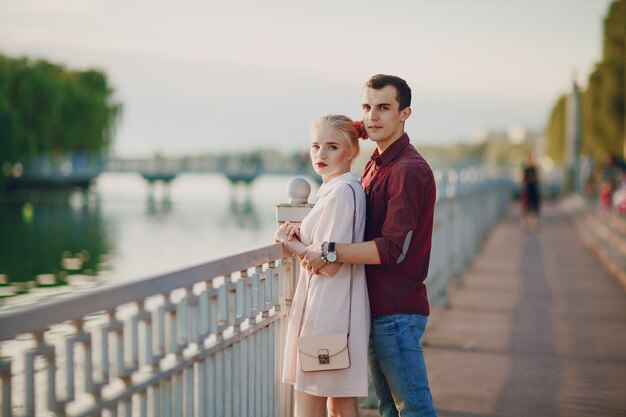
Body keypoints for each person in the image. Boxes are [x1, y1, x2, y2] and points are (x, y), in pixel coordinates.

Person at [296, 74, 438, 416]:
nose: (373, 116)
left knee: (413, 409)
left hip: (397, 311)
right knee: (389, 409)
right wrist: (352, 129)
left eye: (384, 108)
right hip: (375, 308)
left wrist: (329, 251)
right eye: (367, 108)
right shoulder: (378, 162)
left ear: (405, 113)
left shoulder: (407, 169)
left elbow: (391, 248)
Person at [275, 114, 370, 417]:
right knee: (340, 404)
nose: (321, 155)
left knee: (310, 404)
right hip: (338, 311)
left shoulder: (341, 194)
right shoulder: (339, 190)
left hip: (328, 314)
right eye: (316, 146)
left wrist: (291, 243)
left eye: (332, 147)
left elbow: (328, 264)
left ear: (351, 151)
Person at [520, 154, 541, 231]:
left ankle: (534, 225)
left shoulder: (534, 169)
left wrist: (531, 179)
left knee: (534, 208)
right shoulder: (525, 169)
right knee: (525, 208)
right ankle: (525, 225)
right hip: (527, 190)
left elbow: (537, 179)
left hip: (533, 190)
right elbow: (522, 179)